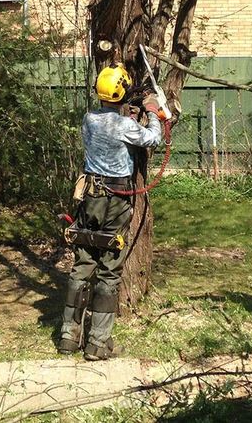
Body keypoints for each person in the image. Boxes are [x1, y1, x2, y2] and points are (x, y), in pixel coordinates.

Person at [57, 63, 164, 361]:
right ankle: (97, 343)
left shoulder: (89, 119)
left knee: (82, 263)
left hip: (89, 195)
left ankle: (68, 337)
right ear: (122, 93)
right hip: (116, 198)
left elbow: (112, 123)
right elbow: (153, 138)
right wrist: (153, 111)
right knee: (109, 268)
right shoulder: (124, 126)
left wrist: (128, 108)